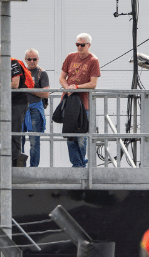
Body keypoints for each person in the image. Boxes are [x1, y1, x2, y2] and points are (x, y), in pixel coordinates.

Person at [0, 43, 29, 167]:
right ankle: (10, 159)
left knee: (14, 132)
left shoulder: (14, 63)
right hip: (3, 102)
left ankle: (15, 162)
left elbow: (15, 85)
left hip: (18, 102)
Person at [59, 33, 100, 167]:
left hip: (84, 104)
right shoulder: (70, 57)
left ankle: (80, 164)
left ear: (89, 45)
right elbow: (62, 78)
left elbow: (93, 84)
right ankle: (78, 164)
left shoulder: (93, 60)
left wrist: (76, 87)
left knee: (82, 137)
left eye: (82, 45)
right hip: (69, 102)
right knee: (70, 136)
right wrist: (68, 88)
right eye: (77, 44)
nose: (79, 47)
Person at [22, 49, 49, 167]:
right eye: (29, 59)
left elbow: (46, 93)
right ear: (25, 59)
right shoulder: (20, 72)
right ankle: (19, 166)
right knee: (18, 140)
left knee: (34, 141)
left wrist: (29, 89)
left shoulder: (42, 73)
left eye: (34, 59)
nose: (32, 62)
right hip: (21, 109)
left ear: (38, 59)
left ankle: (34, 168)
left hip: (35, 109)